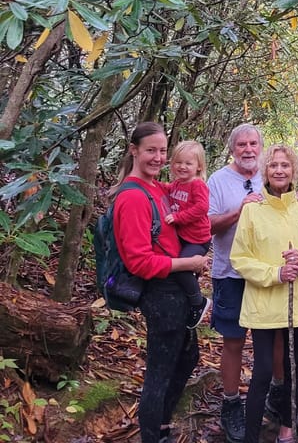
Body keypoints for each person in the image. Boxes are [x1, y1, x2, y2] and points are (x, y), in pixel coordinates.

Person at [111, 122, 208, 443]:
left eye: (163, 151)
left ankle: (163, 424)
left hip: (176, 288)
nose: (158, 157)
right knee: (159, 371)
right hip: (160, 292)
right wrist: (188, 263)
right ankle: (154, 435)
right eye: (150, 150)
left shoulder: (156, 187)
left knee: (187, 357)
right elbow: (137, 260)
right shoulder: (133, 196)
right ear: (134, 150)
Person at [230, 144, 298, 443]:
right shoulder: (252, 209)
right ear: (265, 170)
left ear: (294, 171)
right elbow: (241, 257)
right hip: (263, 303)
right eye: (273, 165)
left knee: (294, 365)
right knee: (262, 371)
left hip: (296, 303)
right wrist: (275, 274)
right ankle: (251, 434)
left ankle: (288, 426)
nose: (279, 170)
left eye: (285, 166)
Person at [206, 124, 289, 443]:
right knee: (234, 340)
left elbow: (289, 212)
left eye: (254, 143)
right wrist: (238, 211)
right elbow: (207, 226)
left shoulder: (272, 174)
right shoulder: (218, 180)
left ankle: (278, 396)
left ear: (261, 147)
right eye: (241, 144)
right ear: (232, 149)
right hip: (230, 273)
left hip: (269, 273)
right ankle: (231, 404)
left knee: (276, 337)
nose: (248, 149)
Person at [165, 140, 212, 329]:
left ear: (198, 166)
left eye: (188, 163)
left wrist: (178, 217)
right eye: (178, 162)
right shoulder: (177, 184)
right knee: (180, 268)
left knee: (182, 268)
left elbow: (202, 207)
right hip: (183, 238)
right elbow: (165, 189)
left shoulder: (197, 185)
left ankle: (198, 302)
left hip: (198, 239)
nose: (182, 167)